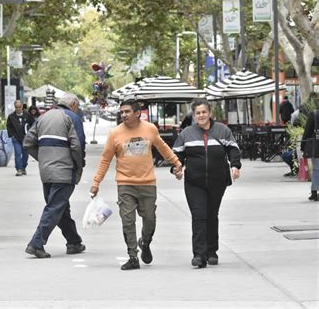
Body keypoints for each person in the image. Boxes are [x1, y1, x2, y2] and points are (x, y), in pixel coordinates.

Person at [90, 99, 182, 270]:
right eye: (122, 112)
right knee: (128, 221)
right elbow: (105, 159)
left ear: (137, 113)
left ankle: (145, 243)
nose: (123, 115)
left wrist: (176, 163)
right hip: (125, 184)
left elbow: (163, 148)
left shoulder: (150, 129)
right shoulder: (115, 133)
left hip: (147, 183)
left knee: (150, 220)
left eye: (127, 112)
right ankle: (133, 256)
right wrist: (96, 182)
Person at [172, 98, 241, 268]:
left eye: (204, 112)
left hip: (218, 181)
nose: (201, 115)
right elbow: (177, 155)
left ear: (210, 113)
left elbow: (233, 149)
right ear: (194, 115)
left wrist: (235, 166)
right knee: (199, 216)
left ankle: (212, 251)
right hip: (194, 182)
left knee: (211, 215)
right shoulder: (186, 133)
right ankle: (199, 255)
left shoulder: (223, 130)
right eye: (198, 113)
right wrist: (177, 168)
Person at [23, 93, 86, 258]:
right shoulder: (71, 117)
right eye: (76, 107)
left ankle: (74, 242)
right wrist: (79, 166)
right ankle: (36, 243)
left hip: (46, 171)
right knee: (55, 207)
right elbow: (77, 145)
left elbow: (28, 142)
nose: (76, 110)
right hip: (64, 171)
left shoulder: (43, 117)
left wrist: (43, 158)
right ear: (72, 104)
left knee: (60, 207)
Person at [6, 100, 35, 176]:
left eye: (19, 107)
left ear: (22, 106)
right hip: (16, 138)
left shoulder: (27, 115)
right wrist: (11, 135)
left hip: (26, 138)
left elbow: (33, 125)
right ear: (14, 107)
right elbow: (8, 126)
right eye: (16, 107)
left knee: (25, 154)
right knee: (18, 153)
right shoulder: (11, 116)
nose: (18, 109)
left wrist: (31, 134)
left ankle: (23, 167)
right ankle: (18, 169)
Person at [300, 109, 319, 201]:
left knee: (317, 169)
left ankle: (314, 192)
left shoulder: (314, 114)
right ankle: (314, 191)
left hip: (316, 145)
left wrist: (302, 146)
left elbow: (307, 131)